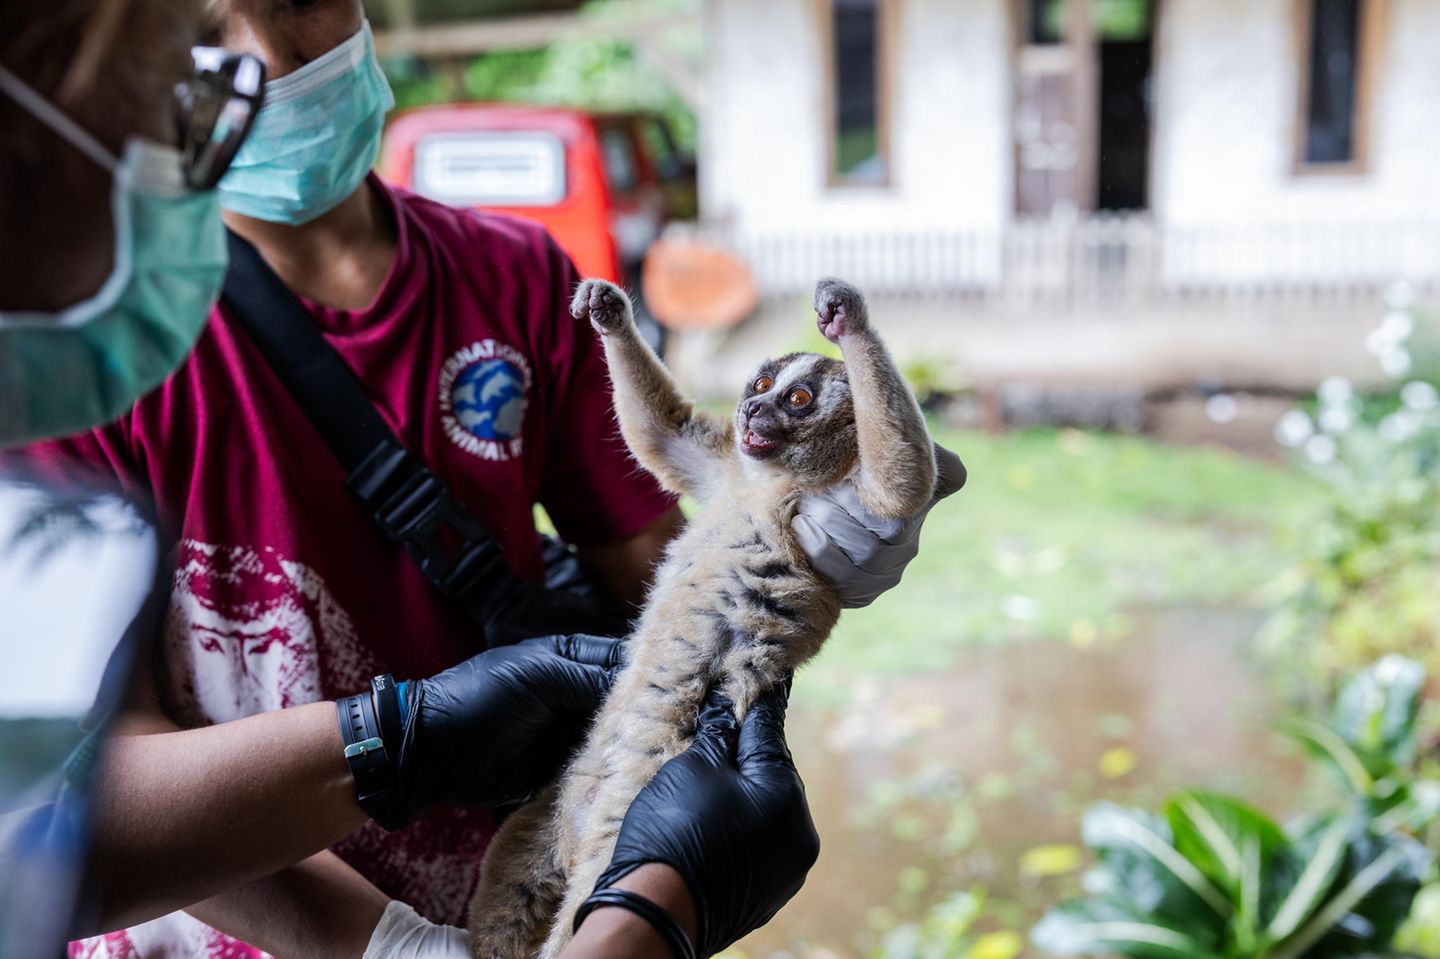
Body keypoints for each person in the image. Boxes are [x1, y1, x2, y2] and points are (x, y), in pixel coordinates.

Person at [3, 0, 964, 955]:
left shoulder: (513, 275)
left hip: (499, 897)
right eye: (203, 28)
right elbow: (69, 795)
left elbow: (668, 579)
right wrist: (394, 938)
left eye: (296, 0)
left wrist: (804, 546)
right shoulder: (95, 343)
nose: (266, 61)